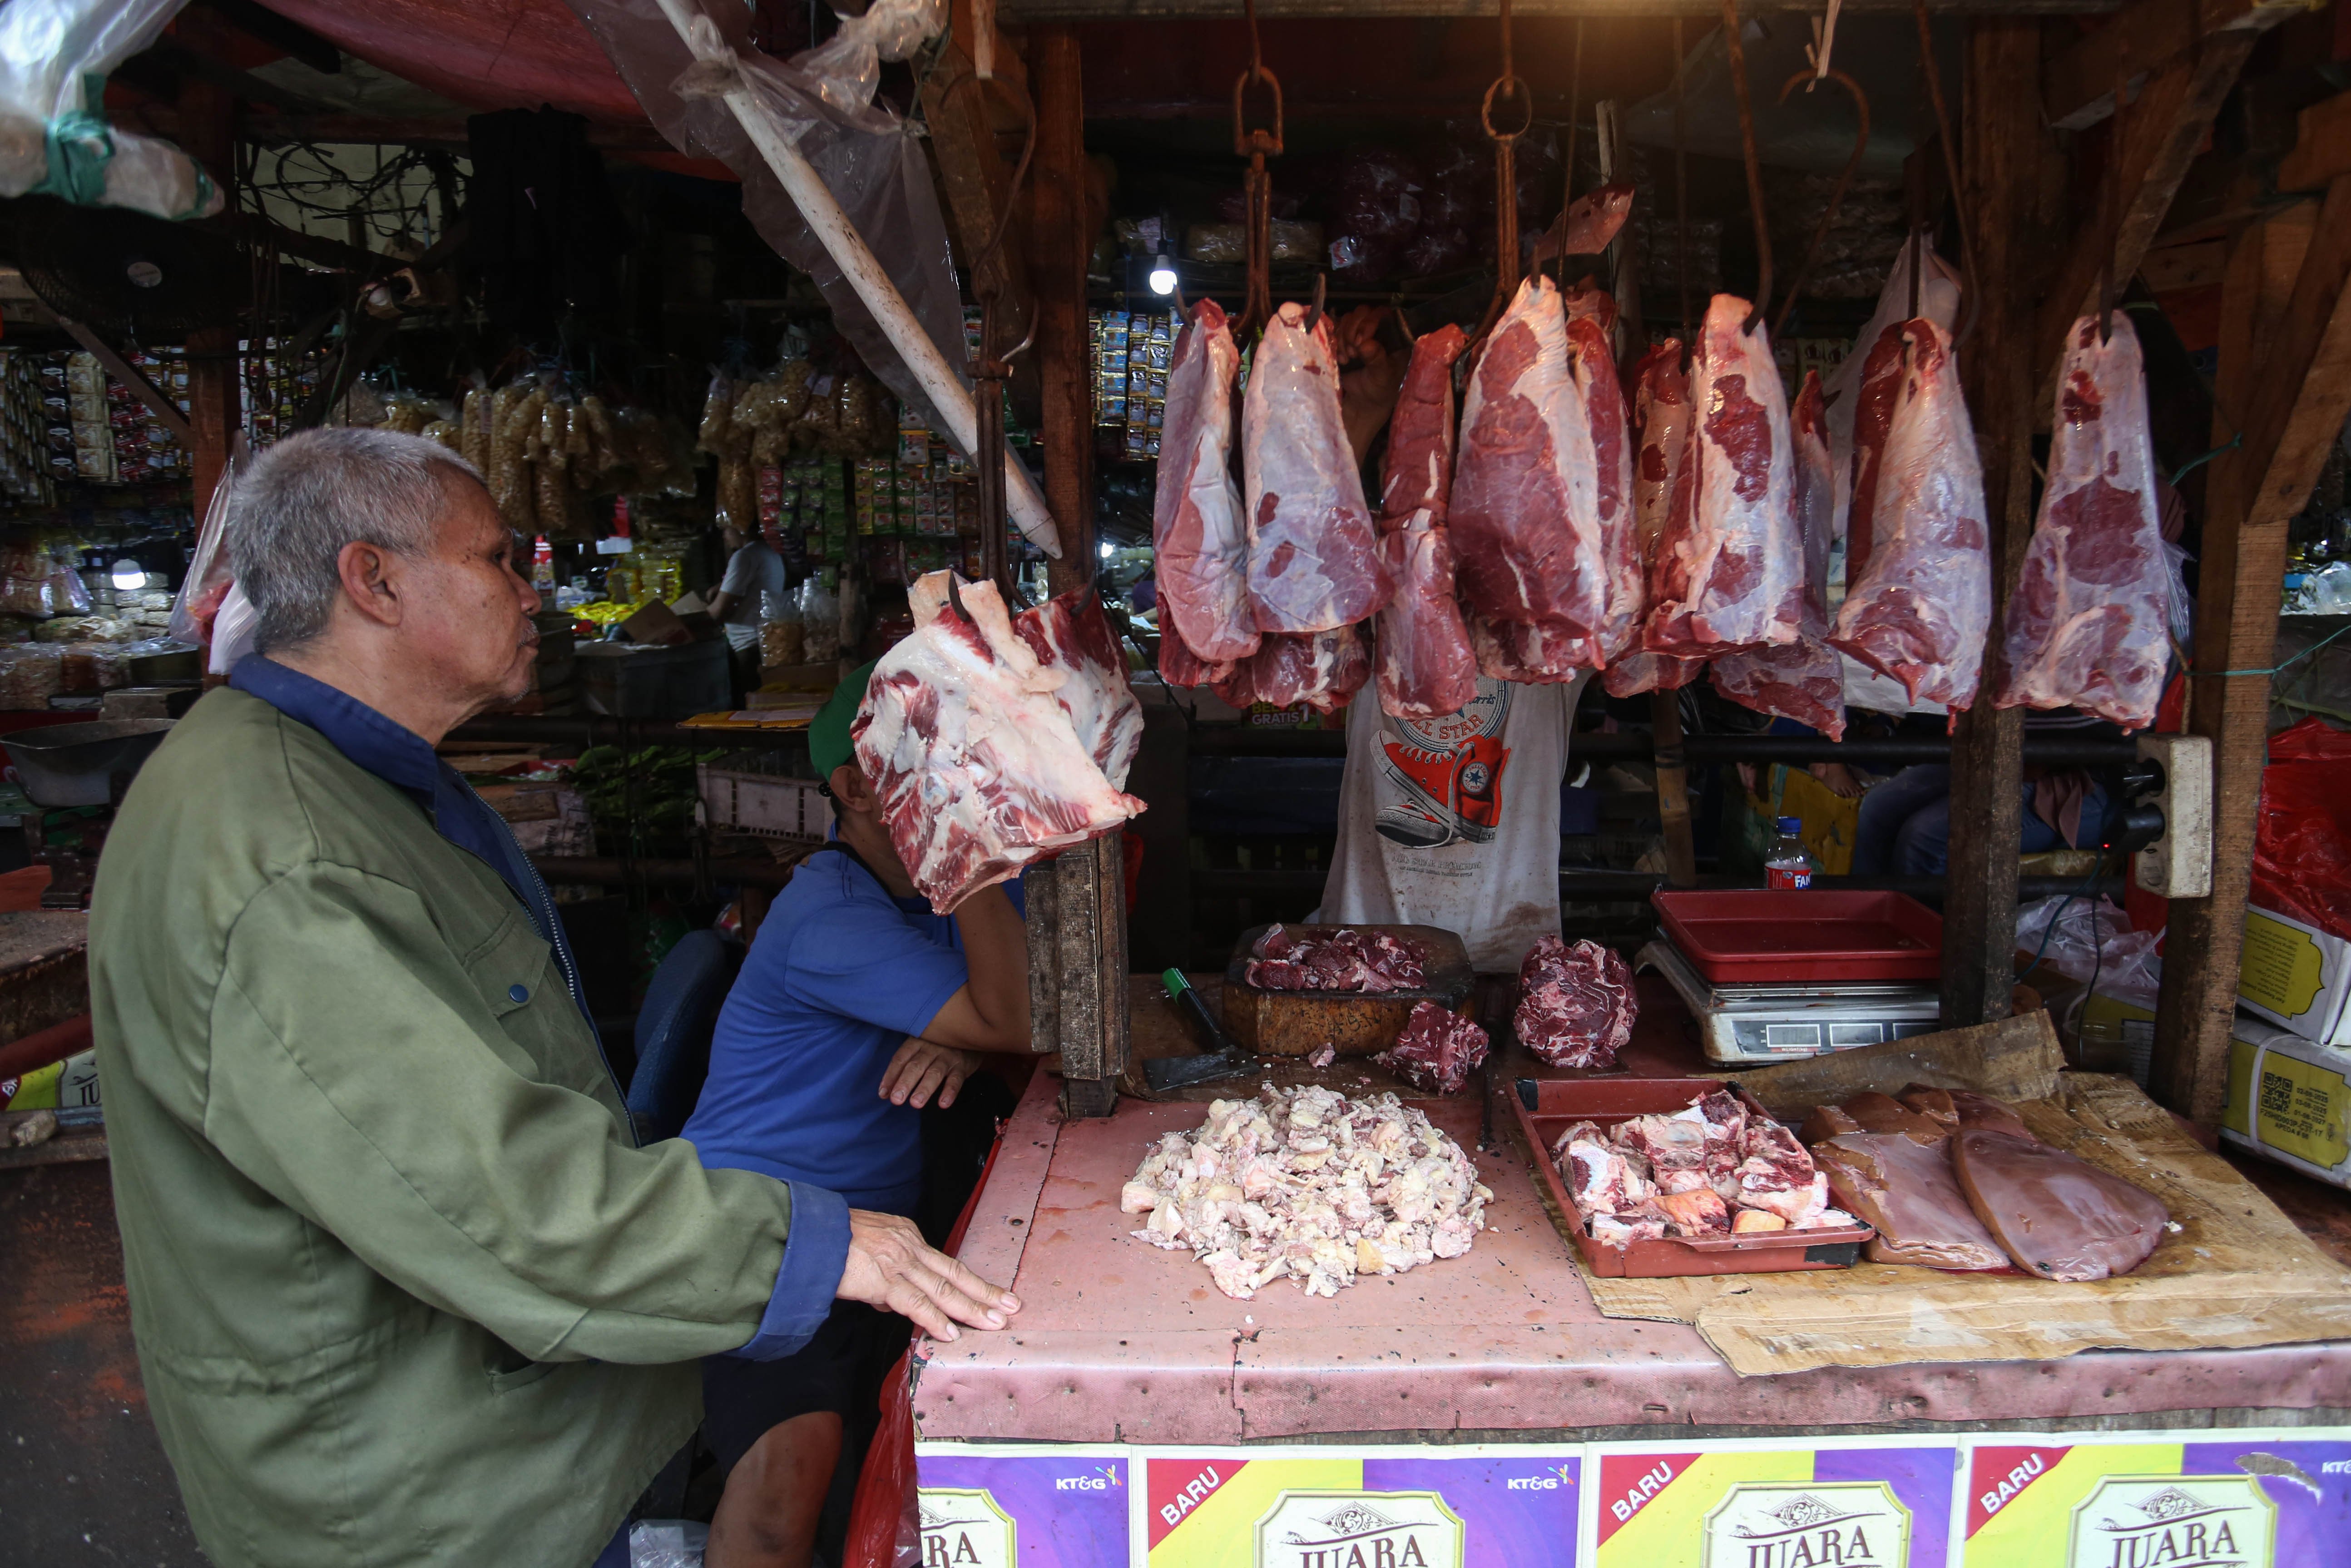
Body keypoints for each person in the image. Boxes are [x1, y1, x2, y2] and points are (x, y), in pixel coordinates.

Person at [89, 429, 1018, 1568]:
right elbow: (492, 1194)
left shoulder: (351, 786)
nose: (531, 593)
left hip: (483, 1430)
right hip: (404, 1490)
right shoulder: (283, 853)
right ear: (372, 581)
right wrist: (814, 1245)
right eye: (497, 560)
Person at [683, 662, 1033, 1568]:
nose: (967, 780)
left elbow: (1046, 1009)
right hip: (764, 1223)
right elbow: (1022, 1014)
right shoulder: (827, 915)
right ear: (855, 789)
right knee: (784, 1485)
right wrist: (975, 857)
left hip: (882, 1223)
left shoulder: (934, 894)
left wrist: (968, 1037)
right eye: (939, 763)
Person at [1317, 671, 1592, 973]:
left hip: (1505, 955)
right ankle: (1461, 793)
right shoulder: (1367, 625)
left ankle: (1463, 788)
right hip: (1370, 950)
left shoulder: (1559, 629)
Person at [709, 520, 789, 692]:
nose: (724, 536)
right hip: (765, 639)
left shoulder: (744, 556)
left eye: (726, 529)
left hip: (749, 644)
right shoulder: (769, 552)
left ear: (740, 528)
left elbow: (718, 611)